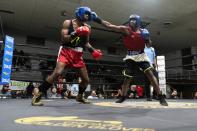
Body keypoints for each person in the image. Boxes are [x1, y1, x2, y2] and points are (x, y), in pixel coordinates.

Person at [31, 7, 103, 106]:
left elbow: (85, 43)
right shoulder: (68, 23)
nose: (87, 16)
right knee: (57, 73)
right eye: (86, 14)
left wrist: (93, 51)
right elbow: (64, 39)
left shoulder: (88, 27)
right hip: (66, 51)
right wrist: (76, 33)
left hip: (78, 55)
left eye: (88, 14)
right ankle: (38, 94)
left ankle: (80, 96)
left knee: (86, 80)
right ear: (80, 14)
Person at [92, 13, 168, 106]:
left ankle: (160, 96)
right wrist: (97, 19)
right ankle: (123, 96)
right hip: (130, 56)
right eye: (130, 20)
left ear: (138, 22)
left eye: (134, 20)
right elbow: (110, 26)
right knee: (127, 76)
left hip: (141, 55)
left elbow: (149, 45)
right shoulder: (126, 30)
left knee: (150, 74)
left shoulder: (143, 31)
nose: (131, 21)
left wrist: (147, 39)